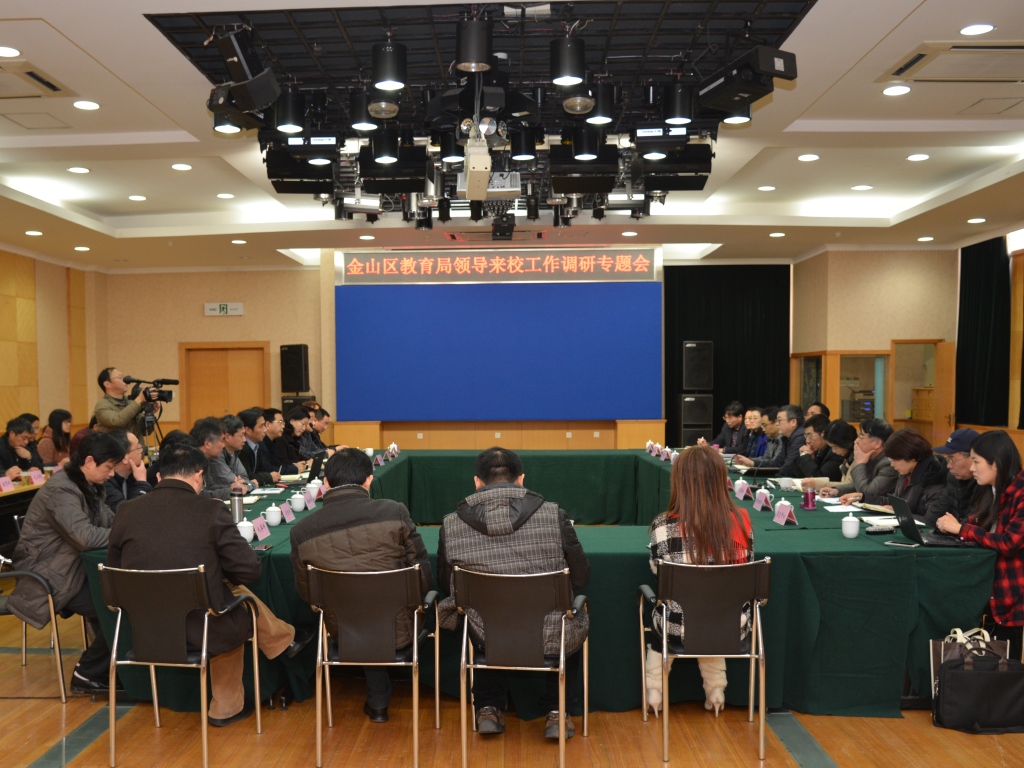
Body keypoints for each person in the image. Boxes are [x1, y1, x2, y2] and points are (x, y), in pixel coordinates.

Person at [108, 443, 312, 726]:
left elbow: (113, 574)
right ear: (199, 476)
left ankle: (285, 638)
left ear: (159, 477)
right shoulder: (211, 510)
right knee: (230, 607)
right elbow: (250, 570)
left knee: (220, 596)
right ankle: (225, 708)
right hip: (204, 626)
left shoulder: (126, 511)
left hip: (146, 629)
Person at [436, 447, 589, 740]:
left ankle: (487, 708)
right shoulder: (554, 515)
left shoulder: (450, 523)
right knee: (569, 617)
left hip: (485, 632)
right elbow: (580, 578)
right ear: (521, 480)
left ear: (477, 482)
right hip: (550, 630)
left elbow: (446, 584)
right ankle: (557, 712)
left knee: (475, 611)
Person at [290, 448, 431, 723]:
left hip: (342, 631)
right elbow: (422, 578)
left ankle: (378, 698)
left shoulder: (302, 531)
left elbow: (307, 594)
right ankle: (381, 696)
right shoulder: (394, 511)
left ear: (326, 483)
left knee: (357, 609)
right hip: (401, 627)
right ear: (369, 480)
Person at [6, 431, 126, 694]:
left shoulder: (88, 486)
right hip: (48, 578)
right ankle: (87, 674)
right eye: (109, 467)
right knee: (121, 606)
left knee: (126, 597)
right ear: (90, 461)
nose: (112, 474)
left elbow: (112, 520)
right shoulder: (61, 489)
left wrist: (133, 524)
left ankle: (113, 668)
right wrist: (126, 534)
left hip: (73, 571)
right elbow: (84, 537)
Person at [645, 444, 752, 717]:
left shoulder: (662, 525)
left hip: (677, 627)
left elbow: (659, 573)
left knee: (666, 610)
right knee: (712, 609)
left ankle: (654, 690)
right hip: (732, 625)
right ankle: (716, 691)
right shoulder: (741, 520)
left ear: (679, 481)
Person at [936, 430, 1024, 652]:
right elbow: (977, 526)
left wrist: (961, 529)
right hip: (985, 586)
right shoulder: (989, 489)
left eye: (976, 461)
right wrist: (951, 529)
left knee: (1005, 662)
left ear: (996, 463)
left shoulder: (1020, 492)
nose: (972, 468)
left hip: (1011, 594)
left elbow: (1009, 543)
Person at [820, 418, 899, 504]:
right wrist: (837, 491)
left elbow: (867, 493)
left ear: (877, 443)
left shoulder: (889, 463)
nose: (856, 441)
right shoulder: (870, 457)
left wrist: (860, 464)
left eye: (861, 436)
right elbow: (858, 484)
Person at [884, 428, 948, 526]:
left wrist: (899, 514)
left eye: (895, 459)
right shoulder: (907, 471)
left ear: (912, 457)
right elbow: (895, 501)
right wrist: (864, 497)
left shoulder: (934, 478)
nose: (892, 465)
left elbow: (931, 521)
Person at [733, 404, 804, 477]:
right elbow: (777, 463)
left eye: (779, 420)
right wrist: (752, 463)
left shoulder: (800, 438)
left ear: (793, 422)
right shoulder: (785, 438)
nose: (777, 424)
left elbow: (788, 468)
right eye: (776, 421)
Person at [93, 367, 158, 441]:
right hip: (116, 448)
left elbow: (145, 431)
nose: (125, 380)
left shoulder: (131, 402)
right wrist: (139, 399)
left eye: (123, 377)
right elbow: (116, 422)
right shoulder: (102, 403)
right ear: (107, 384)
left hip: (136, 447)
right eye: (120, 377)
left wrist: (149, 413)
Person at [934, 428, 983, 523]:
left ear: (973, 457)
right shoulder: (953, 478)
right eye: (947, 459)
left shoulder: (986, 485)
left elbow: (973, 523)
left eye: (952, 459)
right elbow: (935, 513)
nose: (948, 466)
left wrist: (955, 528)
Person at [189, 417, 245, 499]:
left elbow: (210, 487)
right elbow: (200, 495)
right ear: (208, 444)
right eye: (221, 441)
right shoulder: (190, 462)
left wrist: (231, 486)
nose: (223, 445)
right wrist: (230, 491)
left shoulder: (204, 460)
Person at [104, 431, 152, 512]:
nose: (141, 450)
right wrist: (142, 483)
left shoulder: (134, 475)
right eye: (137, 448)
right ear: (124, 458)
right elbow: (128, 514)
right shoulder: (105, 483)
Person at [238, 408, 280, 488]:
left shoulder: (258, 445)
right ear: (248, 430)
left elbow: (264, 470)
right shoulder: (241, 448)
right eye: (261, 426)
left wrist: (264, 476)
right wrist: (268, 477)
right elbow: (248, 477)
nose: (265, 429)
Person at [795, 414, 843, 481]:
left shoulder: (835, 452)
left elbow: (820, 480)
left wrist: (805, 457)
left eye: (810, 435)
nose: (807, 441)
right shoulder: (817, 450)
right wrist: (805, 457)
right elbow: (798, 477)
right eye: (806, 436)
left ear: (823, 434)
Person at [814, 420, 858, 490]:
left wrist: (817, 484)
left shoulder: (858, 460)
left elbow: (849, 486)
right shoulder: (847, 458)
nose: (833, 451)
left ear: (846, 443)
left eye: (835, 447)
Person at [261, 408, 306, 475]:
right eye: (280, 422)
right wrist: (294, 469)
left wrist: (294, 465)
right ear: (268, 424)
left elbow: (278, 464)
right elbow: (268, 469)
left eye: (283, 423)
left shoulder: (273, 442)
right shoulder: (261, 443)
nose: (283, 426)